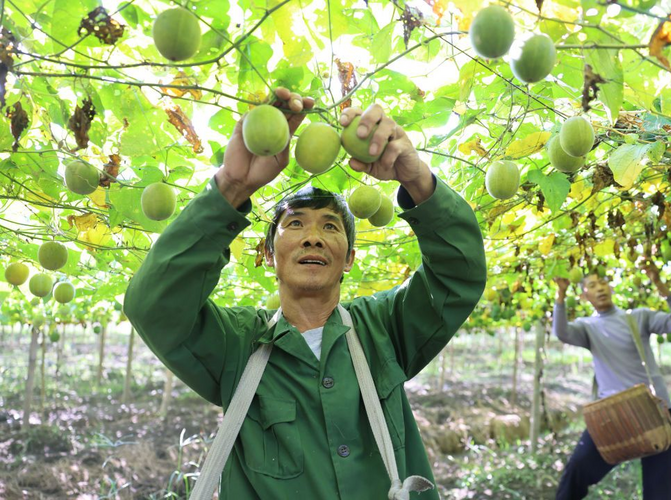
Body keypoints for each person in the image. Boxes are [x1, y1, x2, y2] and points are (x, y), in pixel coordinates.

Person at [123, 87, 486, 499]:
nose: (313, 237)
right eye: (295, 224)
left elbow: (458, 276)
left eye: (330, 226)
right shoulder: (237, 346)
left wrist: (417, 178)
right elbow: (152, 307)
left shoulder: (384, 328)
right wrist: (231, 187)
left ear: (348, 259)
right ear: (268, 254)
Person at [552, 264, 671, 500]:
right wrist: (560, 295)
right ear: (584, 295)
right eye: (592, 285)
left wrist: (661, 287)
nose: (600, 288)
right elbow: (562, 333)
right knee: (577, 469)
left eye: (603, 282)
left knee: (661, 486)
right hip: (612, 414)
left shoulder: (638, 317)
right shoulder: (587, 327)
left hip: (653, 409)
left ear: (611, 287)